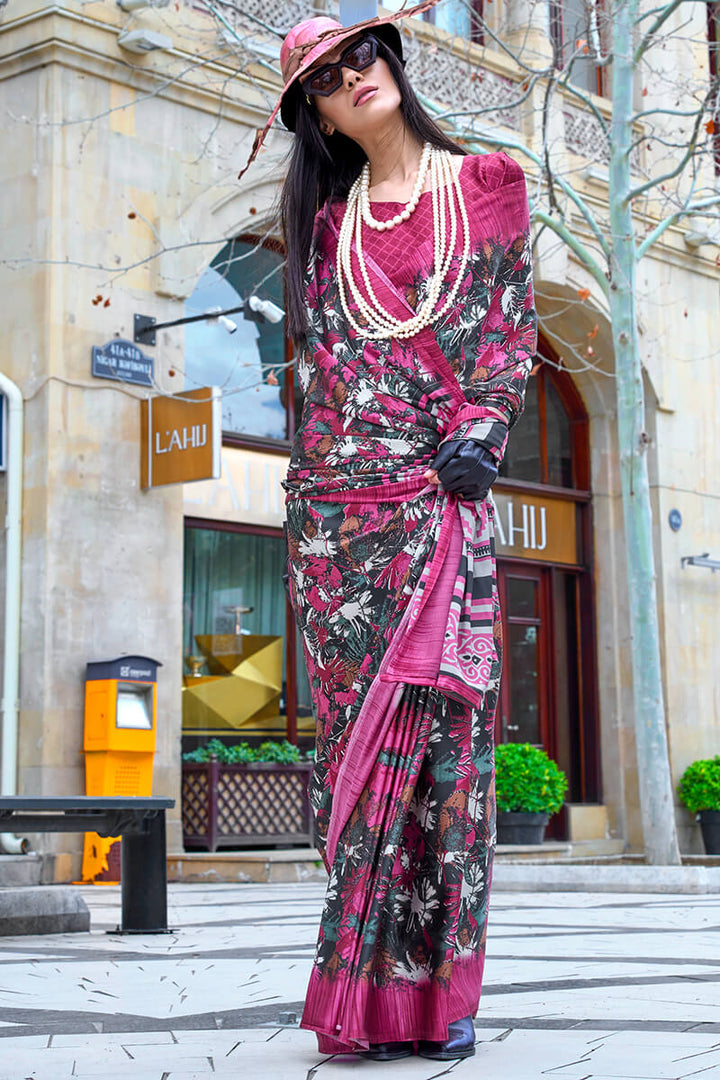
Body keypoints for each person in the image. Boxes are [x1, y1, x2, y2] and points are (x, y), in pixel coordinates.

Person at [242, 2, 536, 1061]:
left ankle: (442, 999)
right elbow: (317, 381)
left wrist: (485, 426)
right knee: (359, 766)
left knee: (448, 760)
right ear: (317, 116)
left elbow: (506, 327)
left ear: (394, 60)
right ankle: (366, 1000)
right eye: (327, 77)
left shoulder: (489, 185)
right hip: (336, 527)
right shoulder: (327, 228)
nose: (354, 76)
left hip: (439, 507)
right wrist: (305, 507)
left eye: (364, 53)